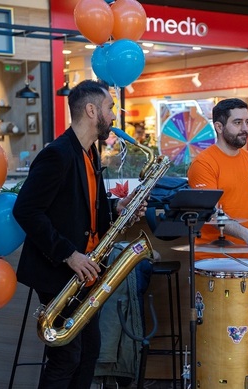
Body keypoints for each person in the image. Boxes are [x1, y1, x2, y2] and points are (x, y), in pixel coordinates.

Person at [13, 79, 147, 389]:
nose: (114, 116)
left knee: (89, 353)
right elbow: (27, 211)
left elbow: (84, 206)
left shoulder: (88, 154)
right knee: (67, 357)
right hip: (62, 269)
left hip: (87, 269)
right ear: (91, 110)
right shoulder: (57, 154)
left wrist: (118, 206)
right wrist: (69, 254)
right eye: (110, 108)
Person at [187, 98, 248, 258]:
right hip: (213, 261)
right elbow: (212, 213)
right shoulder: (203, 163)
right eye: (237, 123)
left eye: (247, 122)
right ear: (219, 127)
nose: (245, 128)